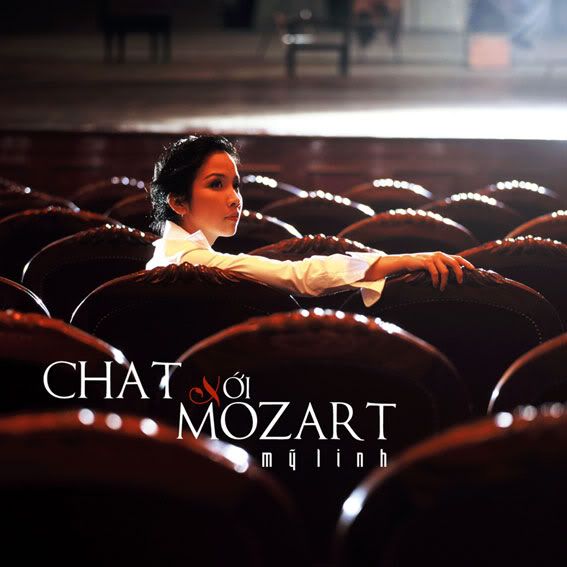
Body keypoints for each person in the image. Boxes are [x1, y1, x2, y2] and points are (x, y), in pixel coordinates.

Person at [146, 135, 474, 307]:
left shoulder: (167, 254)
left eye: (236, 185)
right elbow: (299, 276)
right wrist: (402, 260)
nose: (234, 198)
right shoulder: (191, 262)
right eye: (216, 185)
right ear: (177, 201)